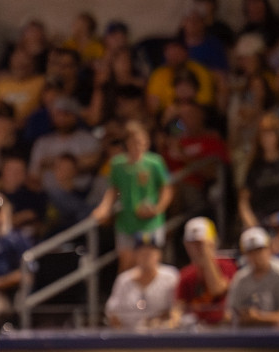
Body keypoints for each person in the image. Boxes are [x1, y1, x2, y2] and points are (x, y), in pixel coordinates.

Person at [92, 121, 173, 275]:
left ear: (147, 142)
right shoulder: (117, 164)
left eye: (141, 142)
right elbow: (113, 190)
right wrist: (104, 208)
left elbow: (166, 188)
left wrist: (157, 209)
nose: (137, 146)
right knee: (126, 264)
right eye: (133, 142)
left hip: (150, 223)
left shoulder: (155, 163)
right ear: (127, 143)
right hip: (126, 221)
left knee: (148, 263)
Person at [227, 227, 279, 330]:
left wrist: (259, 317)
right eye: (251, 252)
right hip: (250, 329)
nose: (256, 256)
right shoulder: (241, 279)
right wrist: (245, 316)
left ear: (269, 249)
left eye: (259, 250)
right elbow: (231, 313)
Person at [170, 217, 234, 327]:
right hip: (197, 332)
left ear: (213, 242)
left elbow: (217, 289)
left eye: (200, 244)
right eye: (192, 244)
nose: (197, 249)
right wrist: (174, 321)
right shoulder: (186, 274)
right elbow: (178, 308)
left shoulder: (227, 265)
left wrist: (206, 256)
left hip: (223, 328)